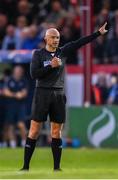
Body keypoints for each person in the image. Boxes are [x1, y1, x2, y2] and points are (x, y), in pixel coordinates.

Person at [21, 22, 108, 171]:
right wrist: (50, 66)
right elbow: (34, 74)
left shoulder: (63, 51)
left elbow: (79, 42)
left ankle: (56, 168)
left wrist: (98, 33)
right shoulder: (38, 54)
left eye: (58, 37)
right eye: (53, 37)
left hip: (58, 94)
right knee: (34, 130)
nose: (56, 40)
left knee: (56, 131)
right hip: (42, 93)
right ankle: (25, 166)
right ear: (46, 39)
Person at [4, 65, 28, 148]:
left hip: (20, 106)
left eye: (19, 71)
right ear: (14, 71)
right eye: (16, 71)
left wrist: (20, 95)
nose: (18, 73)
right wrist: (15, 94)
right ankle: (12, 145)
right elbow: (5, 92)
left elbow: (24, 93)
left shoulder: (24, 80)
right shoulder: (9, 80)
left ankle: (24, 143)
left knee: (21, 124)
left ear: (21, 72)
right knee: (11, 126)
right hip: (11, 105)